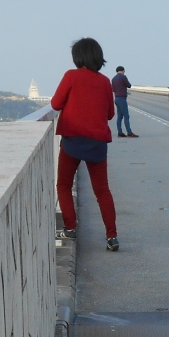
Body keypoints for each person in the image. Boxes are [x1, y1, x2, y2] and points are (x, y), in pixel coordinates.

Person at [51, 37, 120, 251]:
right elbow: (110, 114)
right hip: (97, 142)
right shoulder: (105, 81)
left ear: (78, 57)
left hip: (72, 140)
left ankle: (70, 228)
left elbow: (55, 104)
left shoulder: (71, 76)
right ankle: (112, 237)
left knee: (63, 184)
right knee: (102, 190)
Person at [112, 66, 137, 138]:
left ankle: (120, 132)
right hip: (122, 98)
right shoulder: (123, 77)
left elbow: (113, 89)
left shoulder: (113, 79)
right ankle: (129, 132)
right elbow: (129, 85)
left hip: (116, 98)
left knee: (119, 117)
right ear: (122, 70)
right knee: (126, 116)